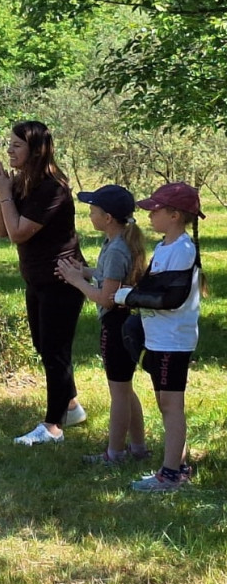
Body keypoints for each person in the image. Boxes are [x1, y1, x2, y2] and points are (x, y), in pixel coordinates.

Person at [0, 120, 87, 446]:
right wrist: (2, 192)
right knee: (45, 347)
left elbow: (18, 233)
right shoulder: (22, 183)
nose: (9, 150)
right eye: (9, 144)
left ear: (36, 150)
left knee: (55, 353)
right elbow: (3, 230)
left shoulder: (52, 188)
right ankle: (70, 406)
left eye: (17, 145)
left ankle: (53, 427)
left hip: (62, 279)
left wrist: (4, 193)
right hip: (37, 279)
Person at [113, 183, 205, 492]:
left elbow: (168, 297)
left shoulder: (182, 249)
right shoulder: (167, 246)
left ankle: (170, 474)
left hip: (173, 340)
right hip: (158, 337)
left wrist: (126, 296)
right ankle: (176, 465)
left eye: (156, 210)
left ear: (175, 215)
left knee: (170, 404)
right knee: (164, 402)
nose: (150, 215)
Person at [57, 186, 150, 465]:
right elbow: (109, 277)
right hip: (126, 323)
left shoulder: (117, 249)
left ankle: (114, 453)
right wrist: (84, 272)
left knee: (119, 392)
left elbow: (107, 299)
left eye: (93, 211)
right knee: (125, 387)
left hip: (116, 325)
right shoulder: (118, 241)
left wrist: (77, 281)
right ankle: (138, 447)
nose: (90, 214)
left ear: (108, 217)